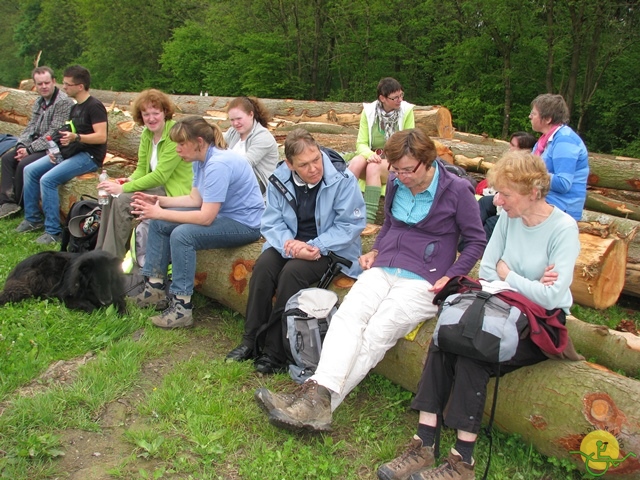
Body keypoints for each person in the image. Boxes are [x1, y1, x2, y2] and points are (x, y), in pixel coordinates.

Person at [254, 128, 486, 432]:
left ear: (427, 161)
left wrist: (452, 276)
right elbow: (389, 223)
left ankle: (313, 402)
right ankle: (314, 403)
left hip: (425, 280)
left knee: (377, 332)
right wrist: (376, 249)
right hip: (384, 267)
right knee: (348, 317)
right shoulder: (398, 183)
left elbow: (475, 241)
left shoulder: (457, 190)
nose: (400, 177)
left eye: (407, 170)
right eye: (396, 170)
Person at [377, 150, 581, 480]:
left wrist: (511, 277)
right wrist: (526, 282)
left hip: (541, 324)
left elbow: (552, 297)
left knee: (476, 349)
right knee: (447, 337)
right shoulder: (507, 218)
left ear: (532, 192)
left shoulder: (563, 229)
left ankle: (462, 460)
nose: (497, 201)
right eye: (497, 193)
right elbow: (487, 270)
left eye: (505, 194)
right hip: (500, 307)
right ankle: (423, 443)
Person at [225, 128, 366, 374]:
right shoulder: (279, 179)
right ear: (290, 165)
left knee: (291, 274)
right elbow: (271, 222)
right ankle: (250, 341)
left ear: (320, 152)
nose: (313, 169)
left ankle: (275, 352)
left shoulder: (343, 179)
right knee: (264, 267)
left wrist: (315, 246)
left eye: (316, 160)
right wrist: (290, 245)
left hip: (331, 248)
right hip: (291, 243)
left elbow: (350, 225)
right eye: (304, 165)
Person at [131, 116, 264, 329]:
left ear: (199, 142)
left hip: (245, 224)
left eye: (182, 144)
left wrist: (159, 212)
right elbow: (195, 200)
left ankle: (182, 307)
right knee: (159, 224)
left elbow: (205, 216)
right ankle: (154, 290)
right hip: (224, 217)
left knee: (183, 235)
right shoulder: (200, 161)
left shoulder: (218, 164)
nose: (178, 149)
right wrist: (160, 202)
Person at [95, 89, 193, 260]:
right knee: (110, 197)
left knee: (123, 200)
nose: (151, 118)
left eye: (156, 113)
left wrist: (123, 187)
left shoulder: (174, 135)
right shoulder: (147, 134)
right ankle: (98, 252)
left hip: (174, 192)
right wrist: (130, 179)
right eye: (146, 114)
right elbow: (142, 168)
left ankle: (110, 260)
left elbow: (160, 176)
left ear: (165, 112)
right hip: (156, 188)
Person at [17, 65, 108, 245]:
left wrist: (77, 137)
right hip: (71, 153)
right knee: (30, 170)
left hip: (88, 157)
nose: (64, 88)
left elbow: (101, 136)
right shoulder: (75, 108)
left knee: (47, 180)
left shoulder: (94, 106)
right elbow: (66, 134)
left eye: (67, 84)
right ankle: (33, 218)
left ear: (80, 86)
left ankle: (53, 231)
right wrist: (55, 151)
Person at [0, 66, 74, 219]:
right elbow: (30, 127)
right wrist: (22, 146)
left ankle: (21, 204)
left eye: (47, 83)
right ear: (35, 84)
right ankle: (7, 202)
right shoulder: (39, 102)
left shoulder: (63, 102)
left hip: (52, 147)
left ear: (53, 81)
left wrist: (29, 150)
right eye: (40, 84)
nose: (44, 87)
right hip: (34, 144)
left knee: (24, 164)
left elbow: (54, 132)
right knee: (8, 158)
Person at [348, 77, 415, 224]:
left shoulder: (406, 111)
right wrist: (370, 155)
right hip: (373, 156)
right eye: (395, 97)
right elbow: (361, 143)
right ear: (382, 98)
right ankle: (343, 208)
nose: (400, 100)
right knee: (356, 161)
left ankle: (368, 220)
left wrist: (383, 158)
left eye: (401, 95)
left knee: (374, 167)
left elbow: (409, 143)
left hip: (396, 160)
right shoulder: (369, 112)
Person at [530, 93, 589, 220]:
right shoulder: (543, 141)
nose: (530, 117)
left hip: (562, 208)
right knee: (491, 203)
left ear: (547, 119)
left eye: (534, 114)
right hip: (543, 200)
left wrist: (531, 173)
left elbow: (563, 184)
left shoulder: (565, 141)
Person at [476, 131, 537, 240]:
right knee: (484, 202)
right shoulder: (510, 163)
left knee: (492, 221)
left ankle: (480, 244)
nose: (510, 149)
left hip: (517, 206)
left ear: (524, 150)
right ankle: (470, 235)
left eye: (513, 146)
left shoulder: (528, 168)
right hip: (502, 198)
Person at [223, 96, 279, 194]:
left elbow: (245, 164)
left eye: (239, 118)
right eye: (232, 120)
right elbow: (217, 147)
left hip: (262, 196)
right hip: (235, 190)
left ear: (251, 114)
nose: (235, 123)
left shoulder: (263, 137)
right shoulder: (233, 132)